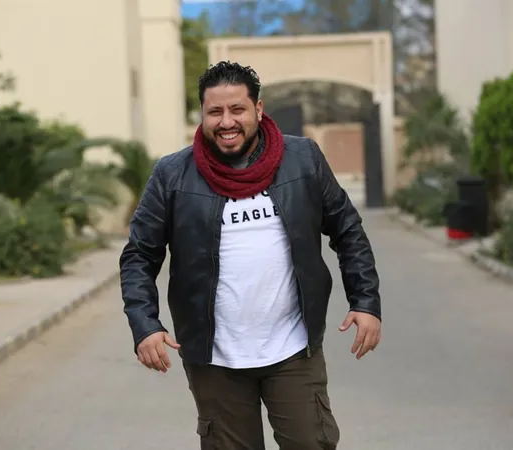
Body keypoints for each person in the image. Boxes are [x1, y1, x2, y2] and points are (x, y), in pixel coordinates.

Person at [119, 61, 382, 450]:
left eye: (237, 109)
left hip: (292, 349)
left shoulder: (302, 159)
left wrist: (366, 302)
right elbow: (139, 255)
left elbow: (348, 230)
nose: (226, 122)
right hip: (215, 358)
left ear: (258, 109)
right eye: (215, 111)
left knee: (312, 442)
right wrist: (145, 325)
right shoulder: (172, 175)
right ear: (203, 113)